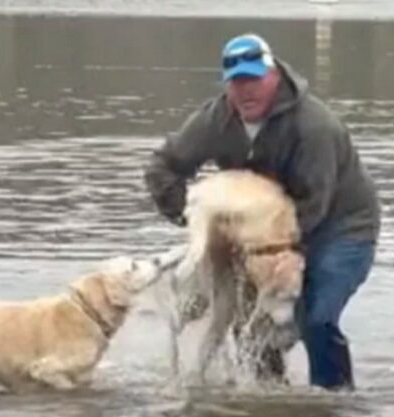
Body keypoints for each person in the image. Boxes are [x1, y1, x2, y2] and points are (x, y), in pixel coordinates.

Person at [144, 33, 380, 390]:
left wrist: (256, 246)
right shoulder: (217, 119)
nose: (246, 91)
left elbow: (313, 206)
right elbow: (163, 167)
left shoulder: (314, 127)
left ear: (274, 75)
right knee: (248, 320)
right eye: (237, 83)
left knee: (316, 318)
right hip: (258, 230)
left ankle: (335, 402)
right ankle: (267, 397)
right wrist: (194, 221)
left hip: (340, 228)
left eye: (253, 79)